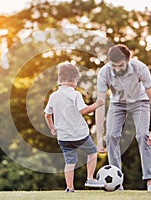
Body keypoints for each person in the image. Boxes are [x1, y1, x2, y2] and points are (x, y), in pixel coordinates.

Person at [95, 44, 151, 192]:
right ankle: (117, 185)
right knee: (111, 136)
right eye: (114, 66)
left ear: (128, 60)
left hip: (139, 102)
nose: (117, 69)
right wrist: (99, 138)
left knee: (144, 136)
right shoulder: (104, 73)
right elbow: (100, 105)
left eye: (121, 65)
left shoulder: (140, 68)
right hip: (117, 104)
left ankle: (150, 182)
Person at [44, 63, 105, 192]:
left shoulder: (53, 96)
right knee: (92, 152)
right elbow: (84, 111)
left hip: (63, 137)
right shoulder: (75, 95)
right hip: (79, 135)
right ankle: (90, 178)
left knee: (70, 162)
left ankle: (70, 188)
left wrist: (52, 128)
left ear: (59, 80)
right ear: (76, 79)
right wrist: (97, 104)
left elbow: (47, 115)